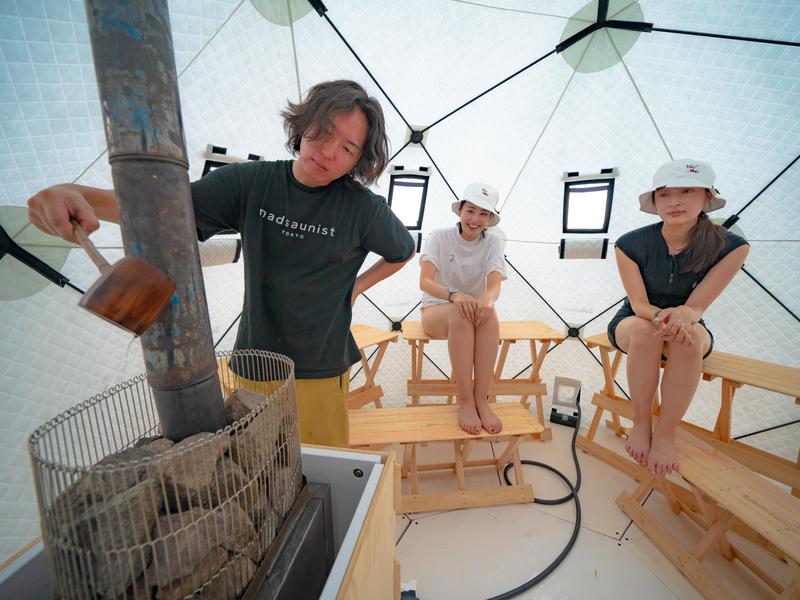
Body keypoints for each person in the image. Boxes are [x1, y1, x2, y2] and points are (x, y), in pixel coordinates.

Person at [27, 79, 416, 448]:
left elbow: (402, 250)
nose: (329, 152)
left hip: (321, 367)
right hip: (253, 362)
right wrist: (72, 194)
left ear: (358, 161)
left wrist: (357, 287)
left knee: (318, 473)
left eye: (348, 149)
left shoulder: (364, 209)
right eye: (324, 132)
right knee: (257, 468)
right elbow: (162, 210)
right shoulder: (252, 184)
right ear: (303, 124)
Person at [608, 159, 748, 476]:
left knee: (691, 339)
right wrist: (662, 317)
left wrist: (683, 315)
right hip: (638, 318)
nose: (675, 202)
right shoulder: (630, 244)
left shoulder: (731, 246)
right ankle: (641, 424)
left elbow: (697, 308)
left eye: (687, 191)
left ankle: (666, 435)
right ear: (655, 201)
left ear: (707, 197)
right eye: (665, 194)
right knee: (644, 332)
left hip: (688, 320)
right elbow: (639, 304)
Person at [419, 183, 507, 435]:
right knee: (461, 312)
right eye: (471, 211)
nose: (475, 219)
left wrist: (487, 301)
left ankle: (482, 398)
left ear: (490, 219)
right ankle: (466, 400)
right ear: (460, 211)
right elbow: (425, 282)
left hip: (472, 311)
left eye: (483, 214)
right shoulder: (439, 237)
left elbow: (493, 286)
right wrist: (454, 295)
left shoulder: (493, 242)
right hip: (436, 309)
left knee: (490, 316)